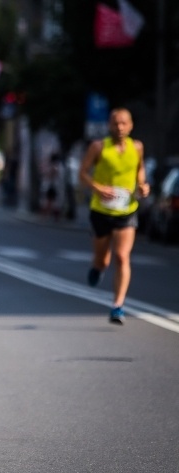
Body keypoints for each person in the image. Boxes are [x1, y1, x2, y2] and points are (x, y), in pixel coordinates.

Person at [79, 108, 149, 325]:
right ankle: (98, 267)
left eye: (123, 123)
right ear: (109, 125)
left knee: (121, 256)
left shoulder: (137, 147)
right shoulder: (98, 147)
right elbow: (82, 173)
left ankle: (118, 306)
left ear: (130, 126)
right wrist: (97, 188)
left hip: (126, 210)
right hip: (101, 210)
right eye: (115, 123)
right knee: (103, 259)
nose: (119, 127)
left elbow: (140, 170)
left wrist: (142, 186)